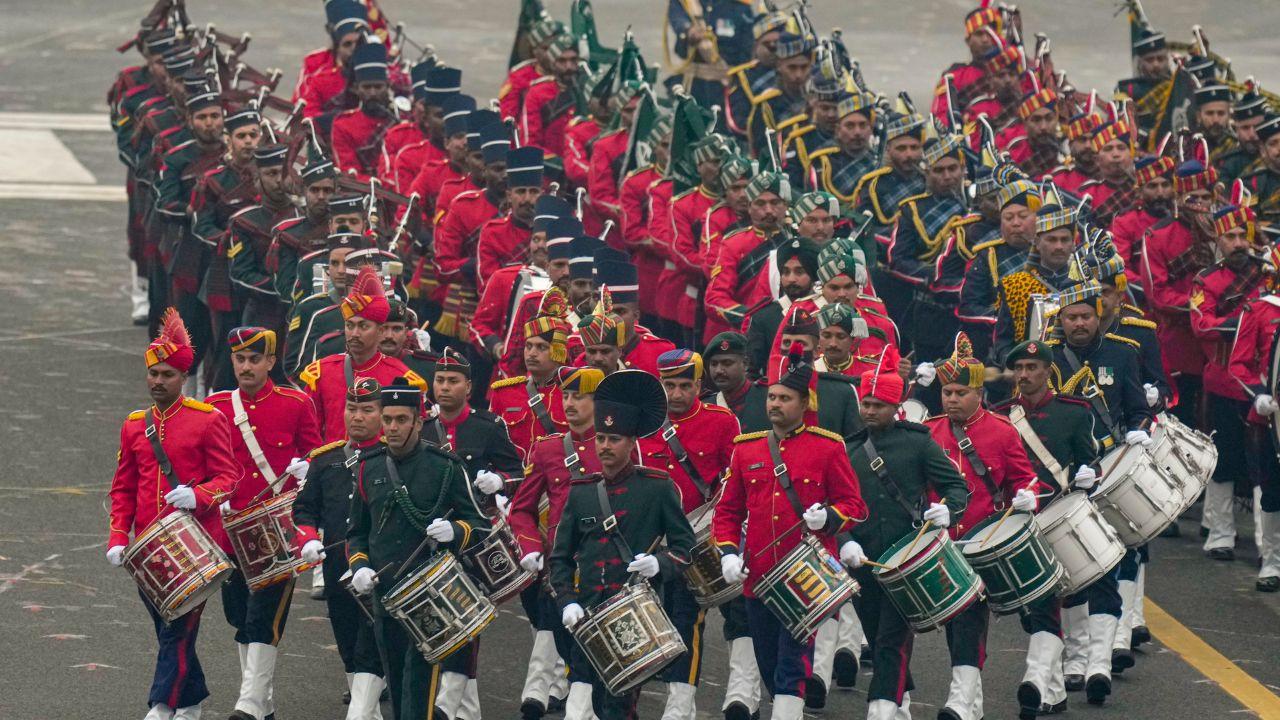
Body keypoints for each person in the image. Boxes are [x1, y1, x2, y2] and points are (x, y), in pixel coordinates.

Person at [714, 344, 867, 720]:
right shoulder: (745, 450)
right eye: (772, 397)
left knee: (792, 663)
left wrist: (829, 518)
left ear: (804, 402)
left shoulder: (828, 447)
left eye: (785, 398)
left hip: (809, 575)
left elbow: (855, 506)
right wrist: (729, 552)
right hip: (759, 573)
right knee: (768, 662)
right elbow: (728, 511)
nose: (775, 404)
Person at [107, 309, 239, 720]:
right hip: (149, 550)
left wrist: (198, 496)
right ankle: (192, 698)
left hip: (195, 546)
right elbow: (124, 486)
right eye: (153, 373)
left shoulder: (207, 420)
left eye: (167, 374)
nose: (157, 381)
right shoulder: (134, 425)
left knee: (178, 631)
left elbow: (229, 477)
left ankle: (162, 706)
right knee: (168, 630)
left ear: (183, 378)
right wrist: (117, 537)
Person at [550, 370, 698, 719]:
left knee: (618, 709)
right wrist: (566, 601)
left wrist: (659, 564)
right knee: (583, 707)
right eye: (600, 437)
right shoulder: (582, 491)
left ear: (631, 443)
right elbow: (559, 559)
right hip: (586, 616)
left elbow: (686, 548)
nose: (604, 446)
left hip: (632, 618)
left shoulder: (658, 487)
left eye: (614, 439)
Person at [346, 377, 490, 720]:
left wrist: (454, 531)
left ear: (418, 421)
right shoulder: (369, 466)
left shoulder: (445, 467)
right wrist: (360, 567)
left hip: (432, 599)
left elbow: (480, 525)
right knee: (396, 687)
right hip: (386, 596)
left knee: (418, 690)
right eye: (388, 419)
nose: (392, 428)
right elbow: (357, 532)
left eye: (401, 420)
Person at [841, 346, 969, 720]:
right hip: (861, 561)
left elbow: (956, 487)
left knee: (890, 641)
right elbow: (835, 504)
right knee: (878, 634)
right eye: (865, 403)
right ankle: (900, 705)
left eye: (877, 404)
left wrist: (948, 511)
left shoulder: (917, 441)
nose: (869, 411)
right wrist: (844, 540)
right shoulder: (847, 450)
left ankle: (881, 710)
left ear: (896, 405)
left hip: (906, 560)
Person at [1044, 279, 1152, 704]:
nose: (1079, 323)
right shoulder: (1046, 360)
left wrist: (1137, 436)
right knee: (1069, 570)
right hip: (1064, 479)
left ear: (1098, 316)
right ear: (1061, 321)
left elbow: (1139, 412)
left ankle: (1100, 661)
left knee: (1111, 563)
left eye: (1086, 315)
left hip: (1108, 475)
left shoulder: (1123, 353)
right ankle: (1073, 660)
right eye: (1071, 317)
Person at [205, 328, 321, 720]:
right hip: (229, 532)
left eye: (255, 359)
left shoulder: (296, 402)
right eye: (240, 359)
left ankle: (249, 704)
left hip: (278, 531)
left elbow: (314, 459)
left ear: (271, 361)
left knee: (263, 617)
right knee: (239, 616)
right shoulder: (216, 406)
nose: (246, 366)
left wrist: (305, 469)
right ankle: (263, 704)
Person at [924, 333, 1039, 720]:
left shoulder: (1003, 430)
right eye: (946, 393)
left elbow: (1024, 480)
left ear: (977, 393)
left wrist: (1027, 497)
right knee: (955, 626)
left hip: (981, 542)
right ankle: (971, 705)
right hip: (939, 546)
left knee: (970, 620)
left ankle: (960, 700)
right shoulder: (928, 432)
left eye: (959, 392)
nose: (951, 399)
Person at [991, 340, 1101, 718]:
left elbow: (1091, 463)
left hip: (1056, 518)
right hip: (1017, 524)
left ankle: (1040, 684)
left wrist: (1090, 476)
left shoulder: (1074, 412)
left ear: (1047, 370)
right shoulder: (1001, 415)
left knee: (1049, 603)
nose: (1024, 374)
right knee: (1034, 611)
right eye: (1018, 367)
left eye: (1032, 367)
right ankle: (1053, 691)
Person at [638, 350, 741, 718]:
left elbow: (735, 480)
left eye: (685, 385)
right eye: (669, 385)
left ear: (699, 385)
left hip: (696, 537)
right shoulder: (643, 420)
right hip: (647, 541)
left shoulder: (722, 421)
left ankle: (680, 708)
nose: (677, 393)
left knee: (688, 619)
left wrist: (715, 523)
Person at [507, 366, 603, 720]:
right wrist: (530, 545)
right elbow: (522, 510)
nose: (570, 403)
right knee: (560, 637)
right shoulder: (547, 449)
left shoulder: (617, 444)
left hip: (602, 563)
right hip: (560, 563)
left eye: (580, 396)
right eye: (567, 395)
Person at [293, 377, 388, 717]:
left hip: (381, 571)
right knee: (349, 646)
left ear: (382, 414)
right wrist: (309, 538)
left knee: (370, 648)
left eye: (367, 410)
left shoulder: (393, 458)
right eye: (352, 409)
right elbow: (304, 508)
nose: (357, 417)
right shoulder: (326, 460)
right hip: (337, 570)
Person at [1192, 195, 1273, 562]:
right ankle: (1220, 535)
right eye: (1230, 236)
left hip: (1265, 387)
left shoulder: (1268, 274)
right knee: (1221, 461)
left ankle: (1265, 544)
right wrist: (1244, 324)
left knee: (1264, 467)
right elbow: (1201, 325)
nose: (1239, 242)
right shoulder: (1205, 280)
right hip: (1223, 383)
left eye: (1244, 234)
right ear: (1217, 241)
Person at [300, 265, 427, 442]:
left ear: (381, 330)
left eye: (363, 326)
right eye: (350, 325)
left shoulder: (401, 377)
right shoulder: (322, 372)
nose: (354, 333)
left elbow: (412, 435)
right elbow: (308, 430)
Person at [1140, 158, 1219, 427]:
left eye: (1205, 197)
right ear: (1179, 197)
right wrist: (1201, 306)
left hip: (1222, 343)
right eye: (1192, 197)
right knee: (1184, 417)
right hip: (1181, 343)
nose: (1199, 204)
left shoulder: (1225, 232)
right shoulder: (1157, 236)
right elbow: (1158, 295)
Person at [888, 127, 974, 359]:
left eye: (952, 169)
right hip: (931, 309)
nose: (947, 176)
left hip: (971, 308)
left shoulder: (978, 205)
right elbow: (898, 261)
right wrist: (931, 275)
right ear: (927, 174)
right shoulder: (913, 209)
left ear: (963, 170)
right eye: (939, 170)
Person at [1226, 292, 1280, 593]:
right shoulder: (1263, 309)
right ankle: (1272, 561)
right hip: (1273, 416)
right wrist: (1259, 394)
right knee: (1272, 492)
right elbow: (1241, 362)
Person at [957, 167, 1039, 360]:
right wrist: (1008, 318)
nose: (1015, 223)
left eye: (1023, 216)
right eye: (1008, 218)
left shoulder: (1052, 251)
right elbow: (968, 307)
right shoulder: (989, 255)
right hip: (1002, 347)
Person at [489, 287, 573, 458]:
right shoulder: (504, 393)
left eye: (541, 347)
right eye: (529, 346)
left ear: (559, 351)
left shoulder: (574, 393)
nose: (532, 353)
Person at [476, 147, 545, 290]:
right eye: (520, 192)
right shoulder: (493, 233)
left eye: (533, 192)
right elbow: (488, 287)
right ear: (509, 195)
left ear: (542, 194)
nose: (527, 199)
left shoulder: (554, 232)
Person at [1110, 152, 1176, 297]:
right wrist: (1150, 286)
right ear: (1140, 191)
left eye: (1165, 185)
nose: (1160, 193)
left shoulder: (1181, 218)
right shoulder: (1125, 222)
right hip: (1142, 297)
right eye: (1152, 186)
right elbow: (1121, 268)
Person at [330, 39, 395, 181]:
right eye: (366, 87)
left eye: (378, 87)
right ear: (356, 89)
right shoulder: (343, 126)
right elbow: (348, 173)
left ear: (388, 86)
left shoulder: (399, 120)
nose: (372, 93)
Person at [296, 1, 369, 116]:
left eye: (359, 44)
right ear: (337, 44)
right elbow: (300, 108)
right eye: (347, 44)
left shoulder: (380, 65)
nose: (354, 49)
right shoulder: (315, 63)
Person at [807, 91, 880, 202]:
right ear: (838, 130)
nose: (857, 132)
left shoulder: (878, 161)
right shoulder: (823, 163)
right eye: (850, 125)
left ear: (870, 129)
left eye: (863, 125)